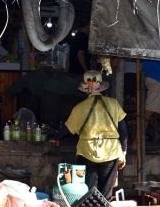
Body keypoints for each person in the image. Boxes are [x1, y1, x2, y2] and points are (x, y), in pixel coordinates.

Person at [52, 70, 128, 199]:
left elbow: (67, 128)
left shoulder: (80, 107)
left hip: (87, 152)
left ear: (86, 88)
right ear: (100, 86)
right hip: (111, 151)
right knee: (106, 192)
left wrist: (55, 138)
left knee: (88, 189)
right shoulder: (113, 104)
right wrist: (124, 151)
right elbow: (124, 130)